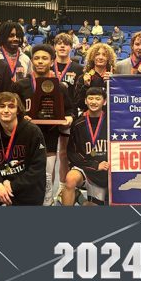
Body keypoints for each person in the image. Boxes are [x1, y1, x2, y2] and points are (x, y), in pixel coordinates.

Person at [0, 92, 48, 272]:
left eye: (11, 106)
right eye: (2, 106)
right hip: (4, 187)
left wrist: (12, 186)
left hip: (28, 190)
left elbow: (37, 169)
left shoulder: (32, 132)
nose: (6, 110)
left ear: (18, 110)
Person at [10, 44, 75, 205]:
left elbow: (70, 110)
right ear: (31, 61)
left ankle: (47, 203)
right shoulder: (20, 85)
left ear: (52, 61)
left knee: (46, 177)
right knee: (23, 175)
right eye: (36, 58)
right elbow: (10, 108)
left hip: (49, 137)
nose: (40, 61)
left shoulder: (60, 87)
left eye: (44, 58)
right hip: (23, 138)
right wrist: (21, 117)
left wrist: (69, 118)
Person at [57, 87, 110, 206]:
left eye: (98, 99)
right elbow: (72, 153)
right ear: (85, 101)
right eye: (90, 98)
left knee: (93, 207)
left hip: (106, 171)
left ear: (104, 102)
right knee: (70, 179)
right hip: (86, 169)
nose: (94, 102)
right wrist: (95, 165)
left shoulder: (111, 122)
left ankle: (81, 199)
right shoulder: (78, 124)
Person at [52, 33, 84, 188]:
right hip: (48, 114)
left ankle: (62, 187)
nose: (62, 46)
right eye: (59, 43)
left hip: (68, 115)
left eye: (66, 44)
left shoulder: (78, 68)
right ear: (54, 46)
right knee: (49, 155)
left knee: (64, 153)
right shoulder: (48, 65)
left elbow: (80, 94)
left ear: (71, 47)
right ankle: (48, 188)